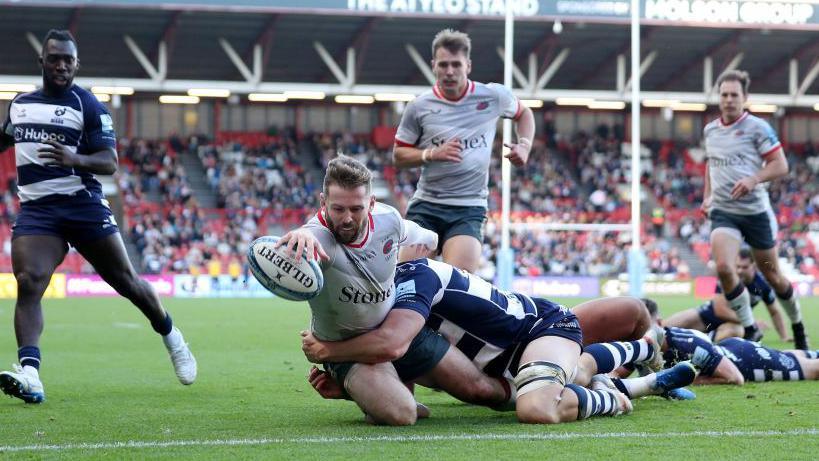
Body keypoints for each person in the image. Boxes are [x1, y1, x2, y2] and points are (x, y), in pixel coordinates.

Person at [0, 30, 196, 404]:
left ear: (76, 65)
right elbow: (6, 136)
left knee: (127, 282)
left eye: (67, 60)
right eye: (54, 58)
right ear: (41, 62)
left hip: (82, 205)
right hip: (39, 211)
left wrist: (75, 159)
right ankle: (31, 374)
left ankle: (172, 336)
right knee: (28, 280)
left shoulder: (87, 105)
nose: (61, 65)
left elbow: (110, 162)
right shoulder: (20, 104)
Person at [302, 258, 702, 424]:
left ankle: (621, 389)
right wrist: (353, 392)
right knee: (574, 374)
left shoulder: (413, 280)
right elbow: (406, 396)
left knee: (536, 407)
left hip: (540, 329)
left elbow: (393, 344)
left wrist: (328, 351)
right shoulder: (379, 316)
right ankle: (645, 377)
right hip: (503, 366)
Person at [275, 155, 509, 425]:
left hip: (397, 333)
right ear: (323, 203)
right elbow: (310, 235)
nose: (347, 219)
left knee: (479, 389)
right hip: (346, 349)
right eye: (338, 209)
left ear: (371, 204)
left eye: (356, 209)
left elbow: (427, 237)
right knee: (404, 414)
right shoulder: (319, 238)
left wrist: (434, 244)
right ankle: (355, 386)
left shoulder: (389, 221)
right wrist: (302, 233)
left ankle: (555, 391)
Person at [393, 29, 535, 273]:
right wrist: (430, 154)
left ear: (468, 65)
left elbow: (524, 114)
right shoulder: (419, 106)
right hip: (427, 205)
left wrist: (524, 145)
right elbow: (399, 155)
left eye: (456, 64)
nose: (450, 71)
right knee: (407, 280)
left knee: (459, 287)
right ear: (433, 66)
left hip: (468, 208)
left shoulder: (492, 96)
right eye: (444, 64)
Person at [701, 69, 808, 348]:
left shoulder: (758, 128)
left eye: (734, 95)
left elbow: (780, 165)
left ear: (745, 98)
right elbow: (710, 166)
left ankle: (797, 326)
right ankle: (750, 328)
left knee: (772, 273)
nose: (728, 100)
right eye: (724, 94)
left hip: (754, 213)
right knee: (724, 266)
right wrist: (707, 196)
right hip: (724, 211)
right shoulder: (710, 130)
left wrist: (753, 179)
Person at [665, 248, 790, 342]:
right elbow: (720, 310)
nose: (740, 270)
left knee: (736, 331)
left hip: (733, 323)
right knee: (664, 327)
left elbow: (775, 312)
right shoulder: (728, 278)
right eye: (737, 267)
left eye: (744, 267)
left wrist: (784, 336)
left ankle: (701, 340)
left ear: (754, 266)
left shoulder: (763, 285)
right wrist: (751, 322)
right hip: (706, 316)